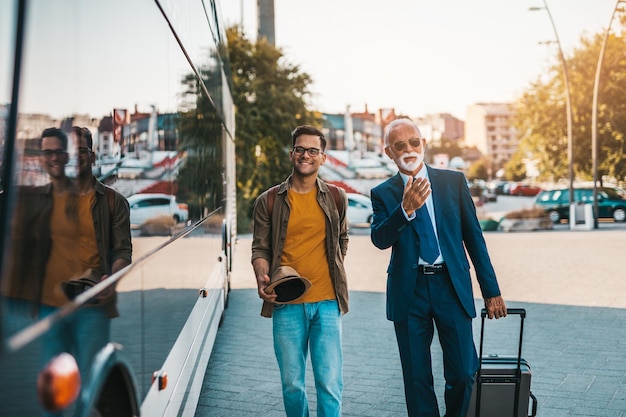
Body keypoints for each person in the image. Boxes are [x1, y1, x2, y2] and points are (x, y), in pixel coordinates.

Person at [370, 118, 507, 417]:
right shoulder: (382, 193)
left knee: (464, 372)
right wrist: (405, 209)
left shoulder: (452, 182)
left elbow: (474, 238)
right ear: (388, 152)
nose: (408, 149)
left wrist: (491, 290)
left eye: (414, 142)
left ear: (424, 143)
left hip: (451, 286)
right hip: (410, 292)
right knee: (417, 380)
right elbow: (379, 239)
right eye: (399, 145)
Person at [251, 125, 349, 417]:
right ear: (291, 153)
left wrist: (334, 265)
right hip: (286, 303)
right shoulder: (268, 201)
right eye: (300, 149)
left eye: (312, 150)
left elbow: (342, 238)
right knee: (292, 383)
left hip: (328, 303)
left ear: (323, 157)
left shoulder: (336, 197)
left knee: (329, 382)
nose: (305, 155)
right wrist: (262, 276)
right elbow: (260, 249)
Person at [31, 127, 131, 384]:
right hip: (51, 306)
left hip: (92, 306)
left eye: (82, 151)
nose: (75, 157)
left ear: (93, 156)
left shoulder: (114, 202)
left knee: (91, 384)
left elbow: (122, 252)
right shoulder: (40, 200)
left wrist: (112, 281)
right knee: (54, 386)